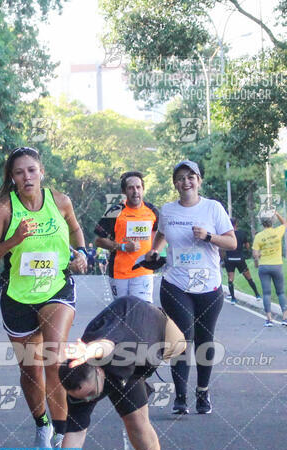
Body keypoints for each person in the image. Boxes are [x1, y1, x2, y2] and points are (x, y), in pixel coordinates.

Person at [0, 146, 87, 449]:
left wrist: (81, 253)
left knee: (54, 358)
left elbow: (76, 230)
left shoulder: (60, 201)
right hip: (19, 296)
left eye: (31, 170)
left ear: (41, 172)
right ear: (12, 178)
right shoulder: (4, 209)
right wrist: (14, 240)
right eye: (19, 172)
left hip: (56, 288)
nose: (27, 176)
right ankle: (42, 425)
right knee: (30, 368)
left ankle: (65, 436)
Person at [58, 296, 186, 450]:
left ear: (99, 370)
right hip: (124, 366)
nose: (89, 399)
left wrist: (91, 349)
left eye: (91, 393)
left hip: (153, 324)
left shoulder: (114, 353)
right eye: (83, 397)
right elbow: (75, 432)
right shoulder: (77, 379)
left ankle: (137, 379)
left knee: (181, 346)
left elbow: (106, 344)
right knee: (135, 419)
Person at [146, 160, 236, 416]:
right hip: (176, 283)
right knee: (182, 338)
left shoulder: (213, 208)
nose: (186, 182)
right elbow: (162, 235)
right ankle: (181, 397)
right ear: (175, 183)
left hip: (208, 284)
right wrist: (155, 250)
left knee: (205, 340)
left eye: (191, 177)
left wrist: (208, 236)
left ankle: (203, 392)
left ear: (199, 181)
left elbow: (231, 242)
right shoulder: (168, 210)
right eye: (181, 178)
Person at [94, 171, 159, 303]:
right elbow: (99, 240)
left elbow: (159, 233)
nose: (135, 191)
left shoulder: (152, 211)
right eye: (131, 188)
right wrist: (122, 246)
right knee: (122, 314)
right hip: (119, 273)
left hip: (143, 271)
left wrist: (155, 250)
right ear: (124, 192)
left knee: (142, 311)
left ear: (143, 189)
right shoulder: (115, 211)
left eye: (138, 187)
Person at [252, 211, 287, 327]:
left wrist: (260, 255)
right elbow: (285, 223)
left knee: (266, 293)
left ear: (262, 223)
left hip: (264, 267)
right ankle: (285, 317)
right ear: (272, 221)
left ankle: (269, 319)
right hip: (277, 266)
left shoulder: (258, 236)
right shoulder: (277, 232)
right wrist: (277, 213)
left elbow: (255, 255)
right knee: (280, 292)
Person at [223, 217, 261, 304]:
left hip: (229, 259)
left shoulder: (226, 234)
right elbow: (247, 246)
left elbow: (223, 247)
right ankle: (257, 295)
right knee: (248, 277)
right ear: (236, 224)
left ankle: (233, 298)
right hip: (240, 259)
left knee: (230, 279)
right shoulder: (242, 233)